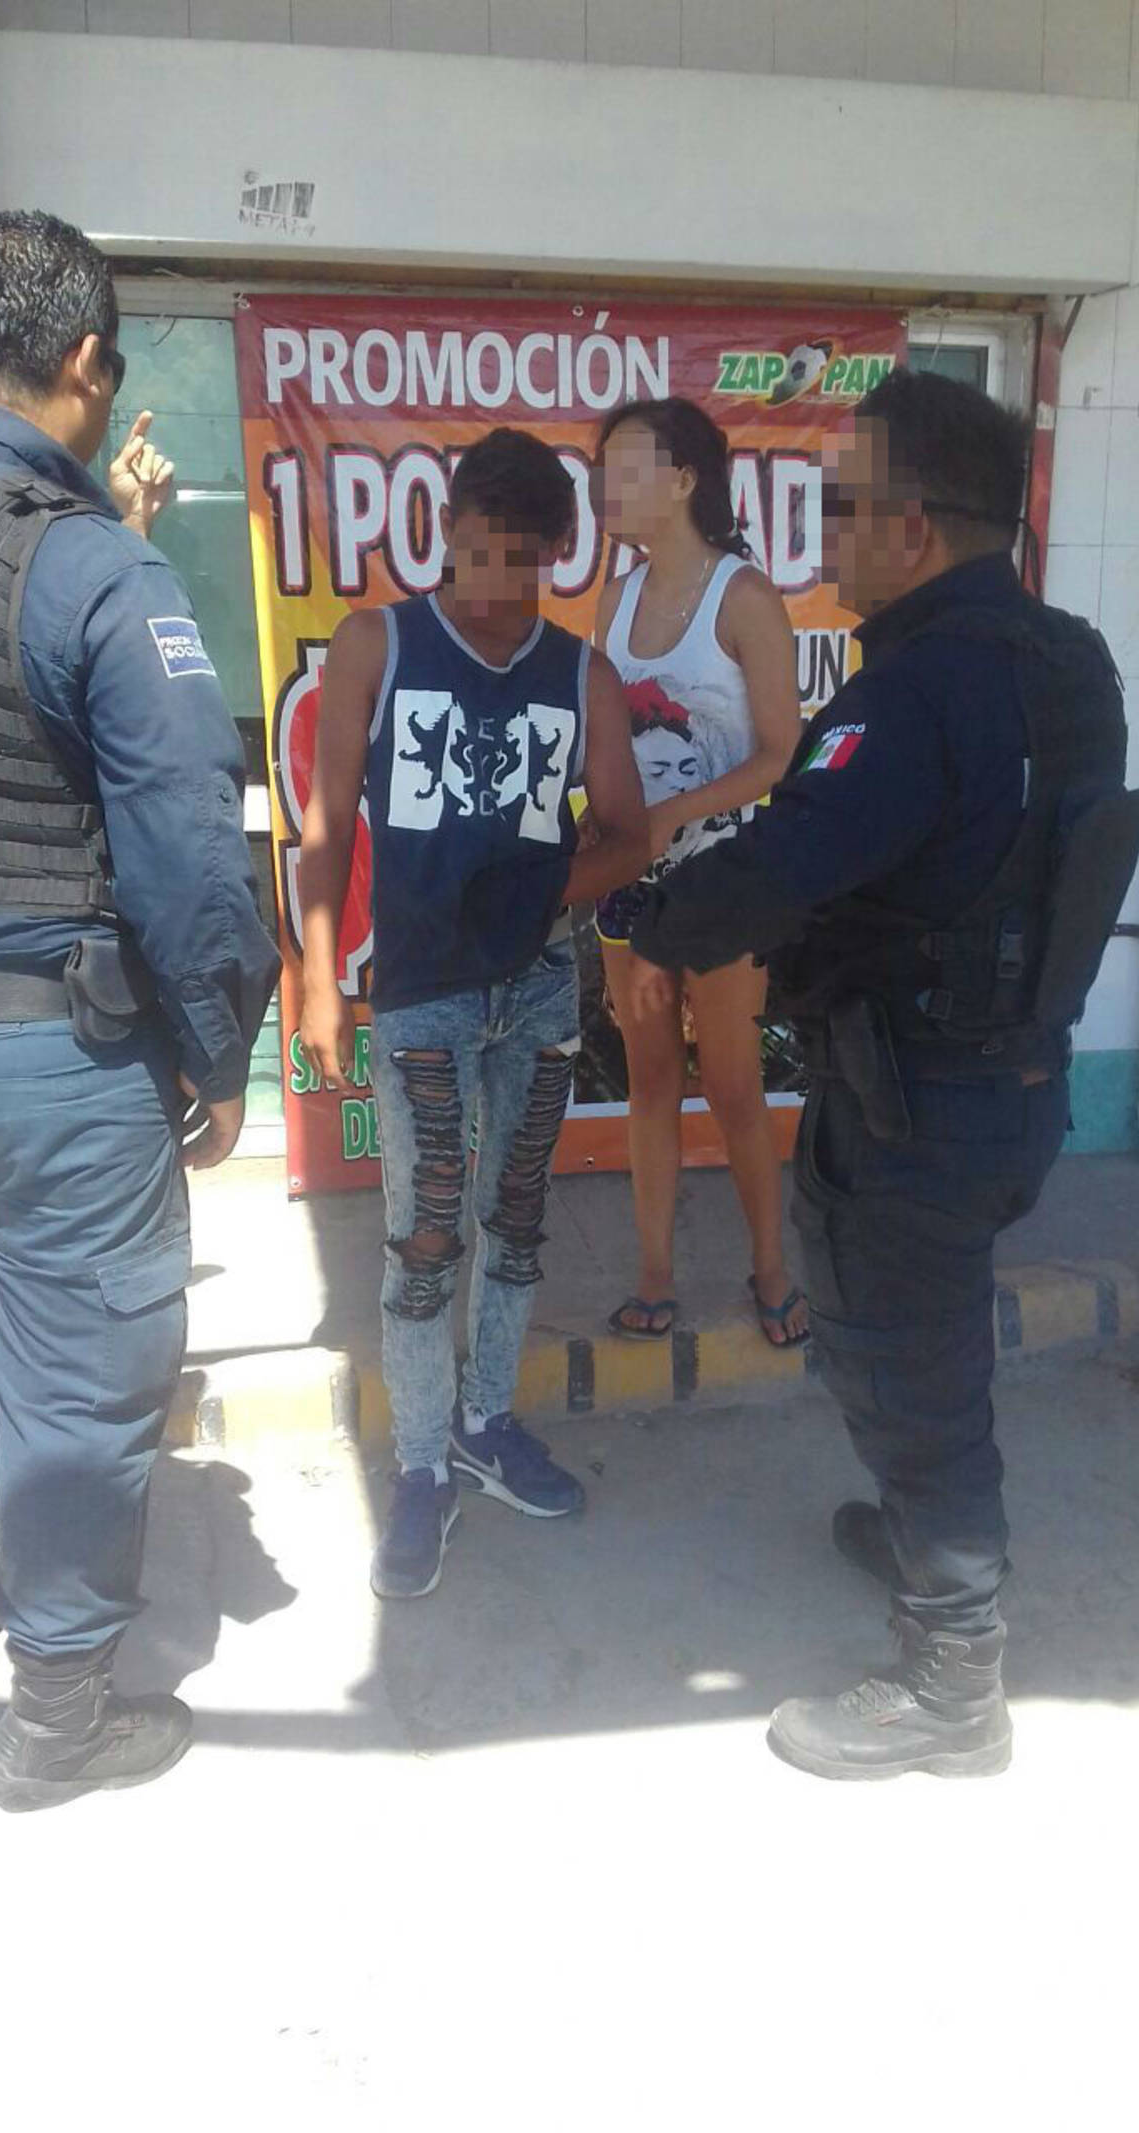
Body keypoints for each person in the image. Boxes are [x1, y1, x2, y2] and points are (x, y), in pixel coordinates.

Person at [626, 368, 1139, 1781]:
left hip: (913, 1102)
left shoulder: (917, 689)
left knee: (906, 1366)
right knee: (924, 1340)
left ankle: (952, 1679)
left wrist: (645, 921)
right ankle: (930, 1542)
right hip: (1012, 1086)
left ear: (913, 526)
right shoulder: (1072, 661)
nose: (821, 537)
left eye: (840, 507)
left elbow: (786, 862)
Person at [0, 210, 281, 1812]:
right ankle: (58, 1717)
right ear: (85, 363)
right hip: (47, 1051)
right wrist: (218, 1055)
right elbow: (190, 854)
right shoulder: (88, 565)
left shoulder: (83, 544)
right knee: (80, 1372)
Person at [299, 427, 648, 1601]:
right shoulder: (378, 644)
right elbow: (325, 826)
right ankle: (418, 1469)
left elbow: (629, 834)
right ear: (444, 533)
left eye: (525, 559)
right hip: (422, 1000)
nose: (498, 584)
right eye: (480, 551)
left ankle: (484, 1424)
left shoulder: (580, 674)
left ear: (556, 553)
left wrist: (550, 888)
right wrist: (317, 977)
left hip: (539, 987)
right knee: (423, 1238)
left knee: (515, 1224)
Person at [593, 398, 808, 1348]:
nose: (606, 483)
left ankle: (771, 1269)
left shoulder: (744, 596)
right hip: (629, 882)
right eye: (602, 466)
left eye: (626, 464)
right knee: (648, 1081)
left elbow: (781, 755)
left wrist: (672, 813)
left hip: (725, 885)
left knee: (731, 1085)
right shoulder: (615, 599)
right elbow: (607, 739)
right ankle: (653, 1274)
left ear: (683, 479)